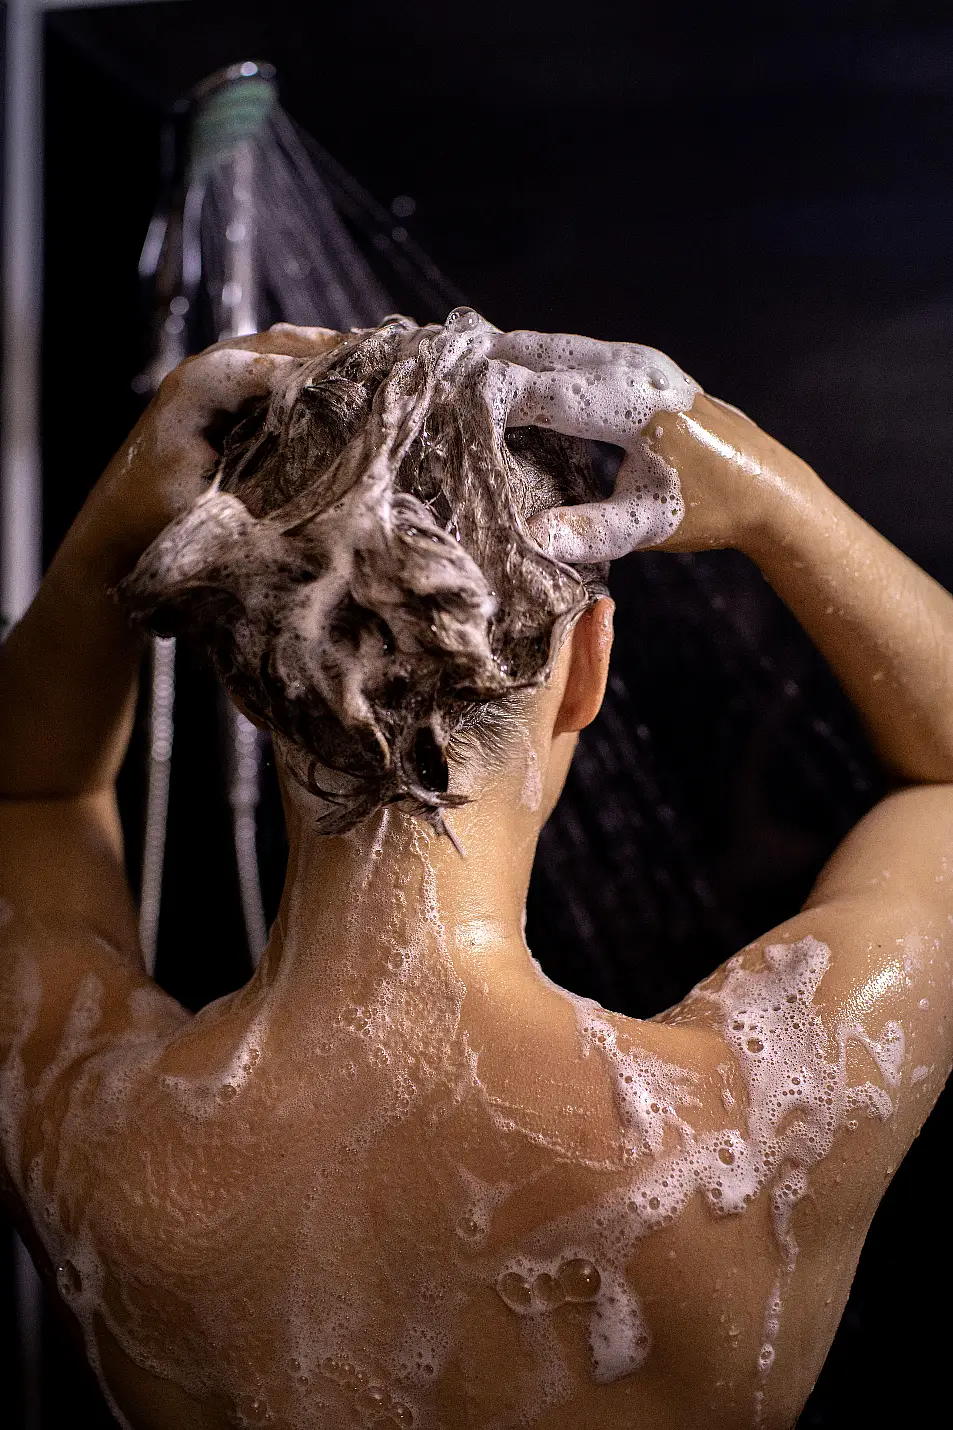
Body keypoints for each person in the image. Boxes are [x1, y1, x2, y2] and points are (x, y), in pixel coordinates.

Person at [0, 316, 951, 1430]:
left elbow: (30, 794)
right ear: (588, 663)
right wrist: (772, 493)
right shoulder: (743, 1140)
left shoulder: (105, 1147)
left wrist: (125, 503)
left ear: (253, 680)